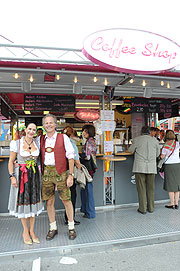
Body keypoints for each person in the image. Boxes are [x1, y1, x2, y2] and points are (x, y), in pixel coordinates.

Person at [39, 114, 76, 240]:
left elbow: (71, 157)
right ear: (44, 126)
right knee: (49, 201)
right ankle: (53, 227)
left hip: (61, 171)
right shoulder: (41, 139)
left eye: (50, 122)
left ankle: (71, 227)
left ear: (55, 124)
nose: (48, 125)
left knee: (66, 199)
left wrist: (71, 175)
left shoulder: (63, 137)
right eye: (46, 123)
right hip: (46, 172)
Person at [8, 123, 44, 245]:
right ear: (25, 129)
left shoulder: (37, 143)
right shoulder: (16, 143)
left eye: (34, 130)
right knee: (22, 203)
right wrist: (12, 176)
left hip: (34, 176)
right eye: (30, 129)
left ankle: (32, 231)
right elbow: (11, 161)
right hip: (21, 176)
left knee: (33, 203)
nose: (32, 132)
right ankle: (25, 231)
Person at [128, 126, 160, 214]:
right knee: (151, 188)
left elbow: (130, 150)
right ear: (150, 132)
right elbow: (158, 154)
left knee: (141, 188)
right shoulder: (155, 140)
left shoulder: (137, 139)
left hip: (140, 167)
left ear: (141, 132)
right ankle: (151, 208)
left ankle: (142, 209)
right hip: (151, 167)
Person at [62, 126, 81, 225]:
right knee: (72, 196)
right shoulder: (72, 144)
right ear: (72, 134)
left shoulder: (60, 143)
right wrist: (81, 168)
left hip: (61, 172)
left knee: (65, 196)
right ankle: (70, 218)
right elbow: (76, 161)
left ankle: (67, 217)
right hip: (70, 172)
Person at [80, 124, 97, 219]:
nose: (83, 133)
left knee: (88, 190)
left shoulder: (89, 142)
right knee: (87, 189)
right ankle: (87, 211)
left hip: (88, 168)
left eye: (85, 131)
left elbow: (87, 156)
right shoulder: (92, 141)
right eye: (83, 131)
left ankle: (90, 213)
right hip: (91, 168)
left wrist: (79, 157)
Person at [160, 130, 180, 209]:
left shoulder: (165, 145)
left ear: (166, 136)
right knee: (177, 185)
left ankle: (172, 204)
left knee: (170, 184)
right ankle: (176, 203)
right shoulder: (177, 144)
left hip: (169, 166)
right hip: (177, 165)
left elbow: (162, 156)